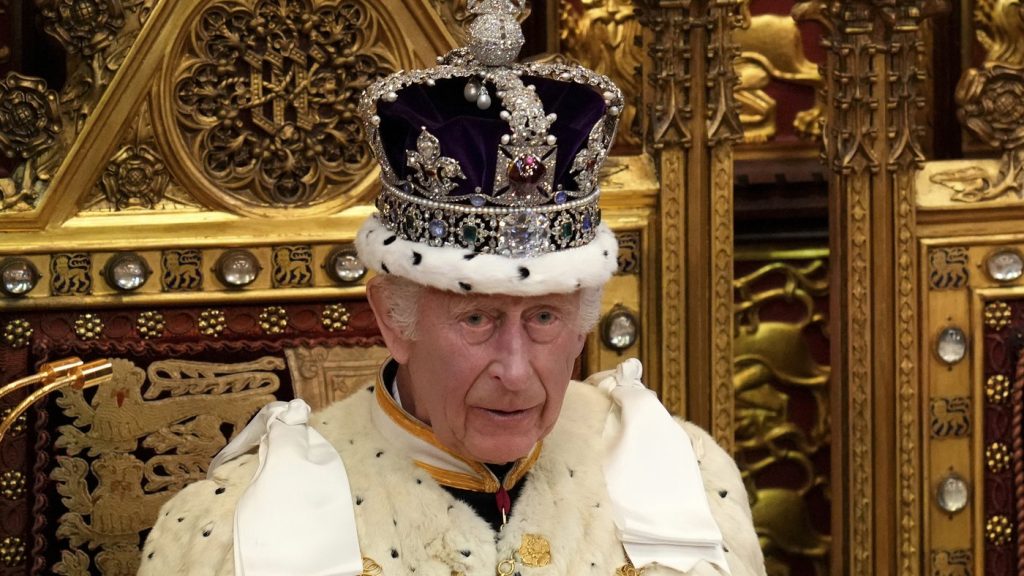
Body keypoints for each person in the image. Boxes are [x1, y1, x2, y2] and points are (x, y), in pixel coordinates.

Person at [138, 2, 766, 574]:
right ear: (393, 320)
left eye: (544, 318)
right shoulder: (232, 531)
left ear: (583, 325)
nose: (514, 372)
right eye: (477, 319)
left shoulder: (685, 478)